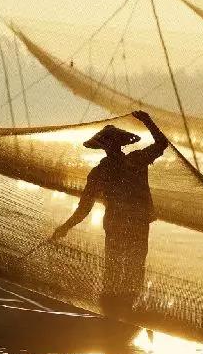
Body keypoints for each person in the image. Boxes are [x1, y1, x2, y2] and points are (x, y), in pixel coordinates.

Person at [51, 110, 168, 318]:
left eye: (114, 143)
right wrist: (65, 227)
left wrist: (147, 120)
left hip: (131, 224)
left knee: (128, 266)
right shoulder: (107, 170)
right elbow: (84, 208)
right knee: (121, 267)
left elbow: (161, 144)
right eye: (109, 144)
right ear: (106, 147)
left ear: (119, 145)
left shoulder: (133, 161)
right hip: (126, 224)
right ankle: (115, 313)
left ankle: (119, 312)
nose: (112, 147)